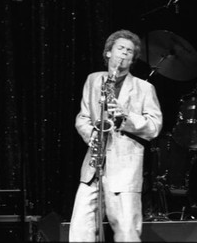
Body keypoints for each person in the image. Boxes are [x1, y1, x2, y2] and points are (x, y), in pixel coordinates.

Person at [69, 29, 163, 242]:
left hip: (125, 168)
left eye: (129, 52)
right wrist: (91, 134)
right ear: (108, 53)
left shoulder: (144, 88)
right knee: (79, 230)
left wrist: (125, 118)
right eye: (120, 48)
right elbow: (82, 118)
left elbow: (154, 126)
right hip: (93, 165)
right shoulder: (93, 80)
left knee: (126, 232)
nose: (124, 54)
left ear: (132, 59)